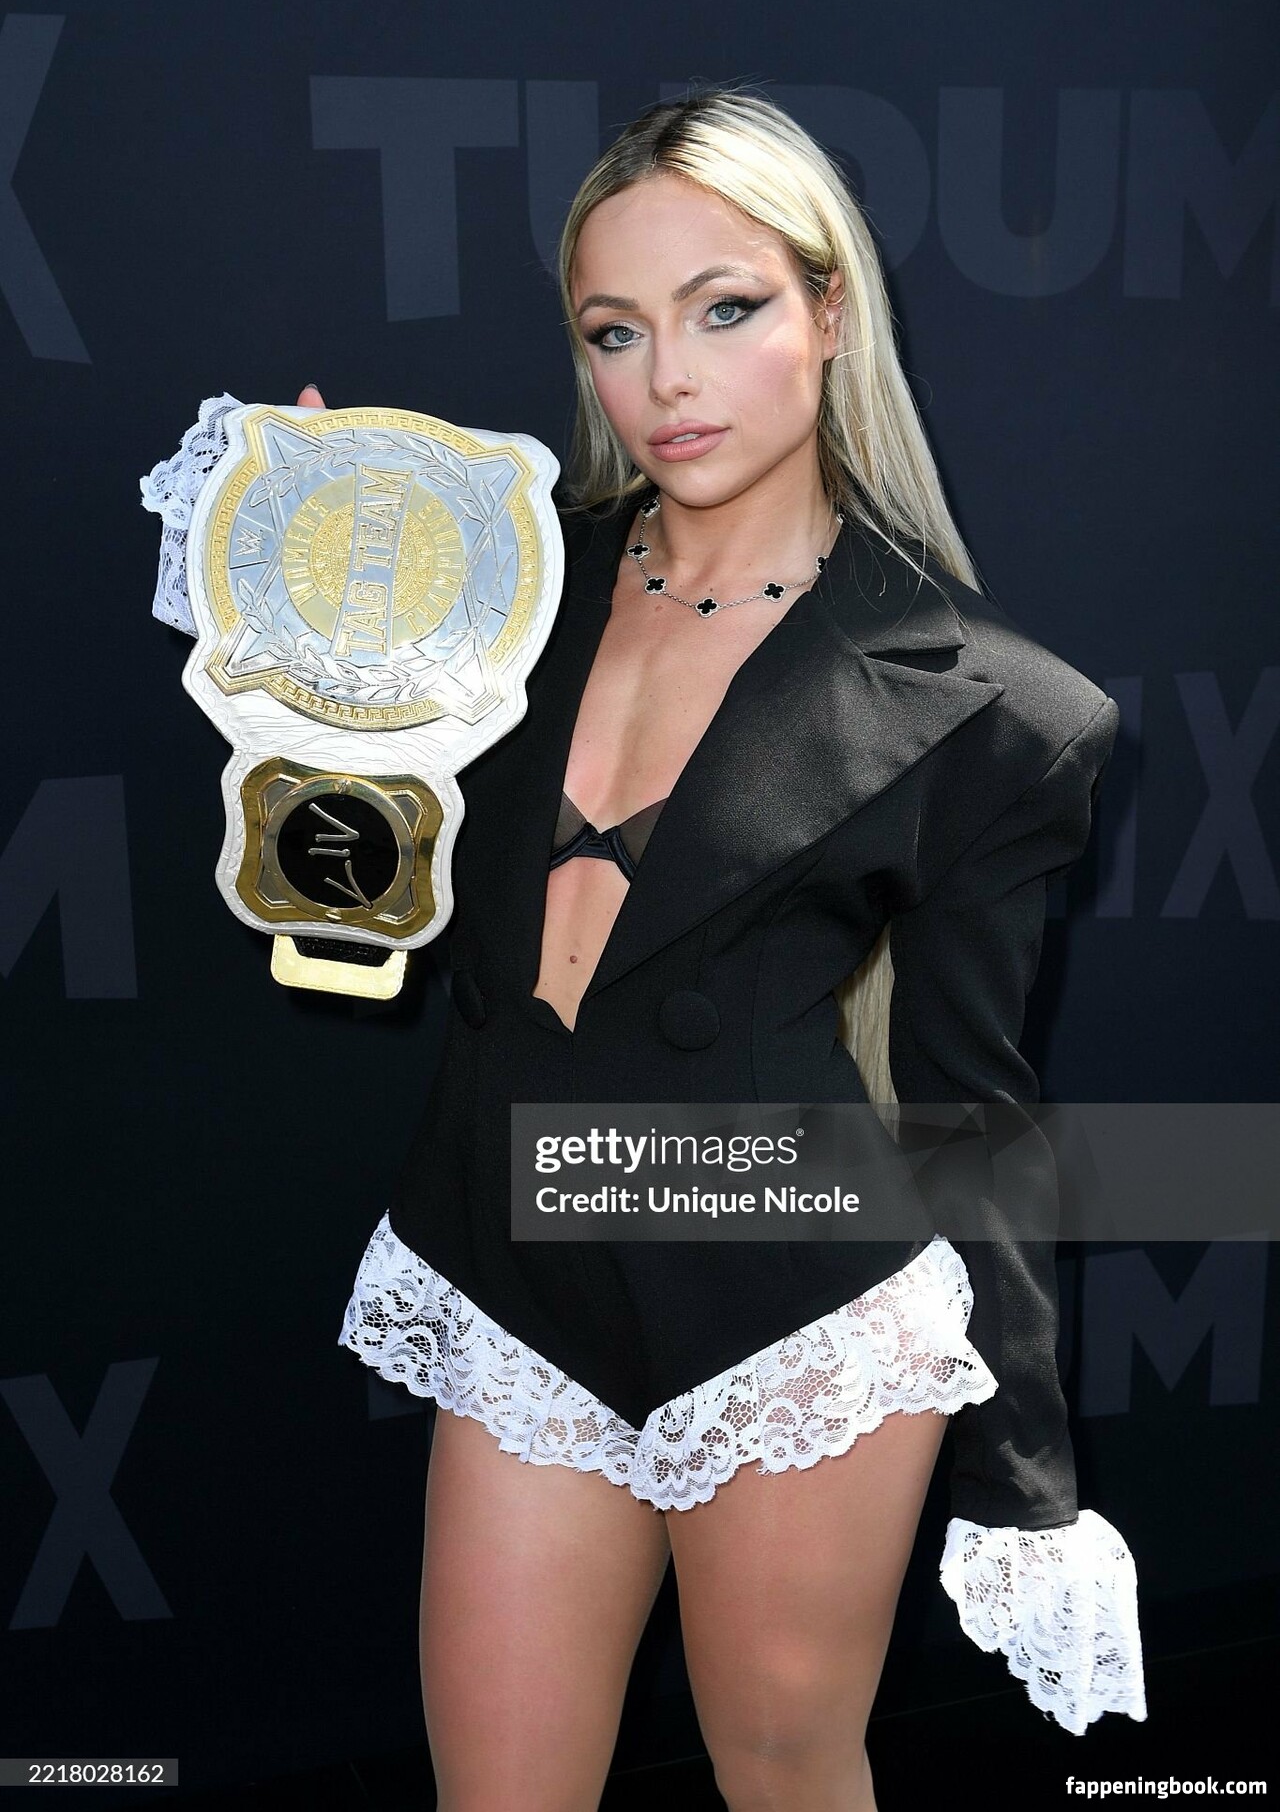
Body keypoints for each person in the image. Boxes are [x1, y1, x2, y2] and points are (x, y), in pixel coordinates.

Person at [149, 89, 1146, 1810]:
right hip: (522, 1274)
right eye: (616, 332)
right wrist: (319, 625)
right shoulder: (493, 585)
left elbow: (967, 1111)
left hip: (792, 1308)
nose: (668, 379)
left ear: (830, 310)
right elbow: (356, 891)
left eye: (725, 308)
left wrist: (1025, 1485)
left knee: (786, 1781)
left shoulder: (994, 705)